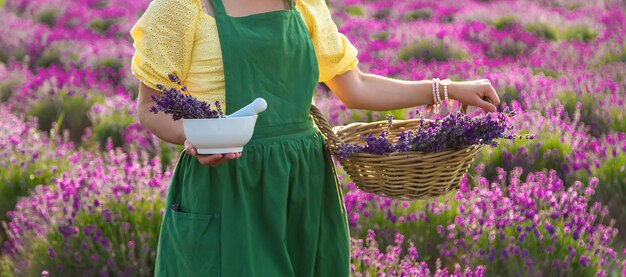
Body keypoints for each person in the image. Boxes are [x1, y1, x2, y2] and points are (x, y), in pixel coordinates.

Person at [130, 0, 501, 276]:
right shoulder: (179, 7)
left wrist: (447, 89)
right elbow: (152, 106)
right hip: (227, 182)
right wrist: (194, 135)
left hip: (304, 185)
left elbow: (354, 86)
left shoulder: (304, 4)